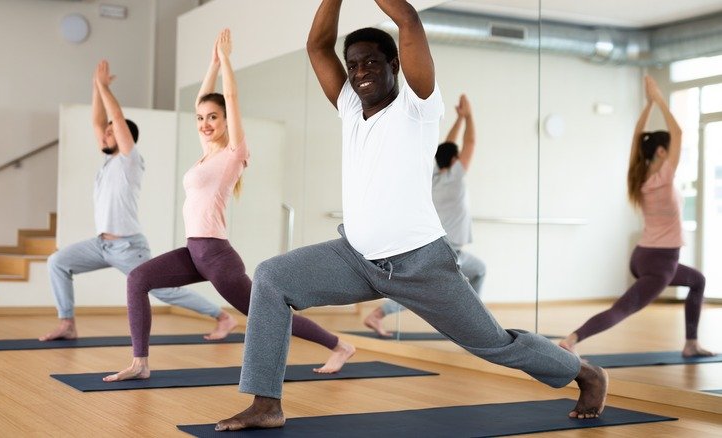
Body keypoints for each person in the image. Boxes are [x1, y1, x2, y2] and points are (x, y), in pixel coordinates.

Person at [215, 1, 608, 431]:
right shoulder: (350, 108)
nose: (361, 70)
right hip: (356, 258)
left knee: (493, 343)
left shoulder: (417, 106)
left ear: (395, 64)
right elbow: (317, 45)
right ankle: (266, 402)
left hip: (420, 264)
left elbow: (408, 20)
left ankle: (581, 371)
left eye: (371, 61)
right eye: (353, 64)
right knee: (272, 276)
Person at [103, 29, 355, 382]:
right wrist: (210, 65)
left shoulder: (234, 153)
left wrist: (225, 63)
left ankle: (339, 345)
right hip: (194, 252)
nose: (205, 124)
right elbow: (199, 102)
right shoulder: (206, 155)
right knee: (138, 279)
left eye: (213, 117)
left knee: (267, 312)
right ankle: (140, 362)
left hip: (217, 256)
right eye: (201, 118)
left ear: (226, 121)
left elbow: (231, 96)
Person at [40, 60, 237, 342]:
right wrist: (96, 86)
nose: (104, 135)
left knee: (163, 290)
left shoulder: (129, 161)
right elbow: (98, 122)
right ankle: (67, 322)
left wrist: (107, 90)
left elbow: (115, 119)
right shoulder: (108, 162)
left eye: (111, 133)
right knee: (57, 262)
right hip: (100, 244)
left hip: (127, 246)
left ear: (124, 137)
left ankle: (222, 317)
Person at [560, 76, 713, 358]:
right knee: (622, 309)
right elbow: (677, 133)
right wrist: (659, 99)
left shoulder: (639, 176)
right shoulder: (664, 177)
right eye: (669, 151)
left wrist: (648, 105)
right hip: (660, 262)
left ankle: (691, 343)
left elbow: (636, 138)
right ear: (661, 151)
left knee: (697, 280)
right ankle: (572, 339)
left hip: (644, 256)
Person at [364, 93, 486, 337]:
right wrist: (469, 116)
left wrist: (459, 119)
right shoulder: (455, 177)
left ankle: (474, 320)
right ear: (454, 160)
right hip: (450, 248)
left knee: (478, 270)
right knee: (429, 291)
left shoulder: (434, 176)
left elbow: (447, 147)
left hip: (446, 246)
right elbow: (469, 144)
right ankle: (379, 314)